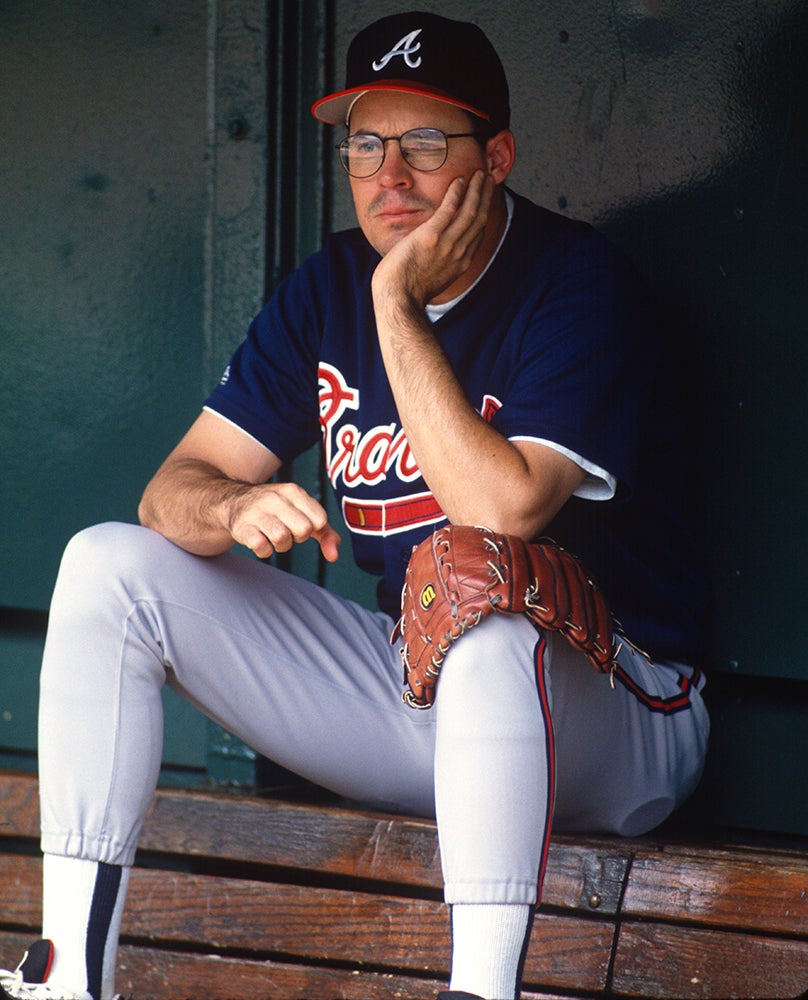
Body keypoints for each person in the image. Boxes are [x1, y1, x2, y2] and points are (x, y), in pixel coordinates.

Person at [1, 11, 710, 1000]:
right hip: (419, 700)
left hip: (620, 711)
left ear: (496, 156)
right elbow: (174, 487)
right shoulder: (322, 286)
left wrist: (395, 306)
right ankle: (68, 973)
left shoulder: (574, 282)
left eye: (425, 144)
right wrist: (225, 512)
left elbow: (501, 513)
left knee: (486, 604)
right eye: (366, 145)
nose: (391, 177)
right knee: (108, 563)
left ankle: (480, 990)